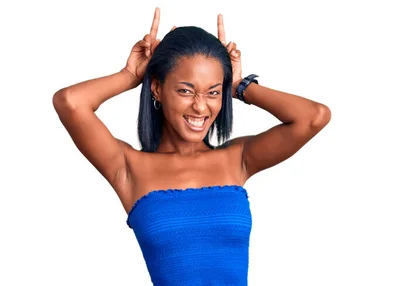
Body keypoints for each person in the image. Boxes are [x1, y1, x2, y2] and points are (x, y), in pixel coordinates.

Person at [52, 7, 331, 285]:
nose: (200, 106)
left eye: (213, 92)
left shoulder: (237, 160)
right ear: (157, 89)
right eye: (185, 90)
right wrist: (130, 74)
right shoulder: (127, 167)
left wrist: (238, 85)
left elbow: (313, 117)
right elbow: (70, 102)